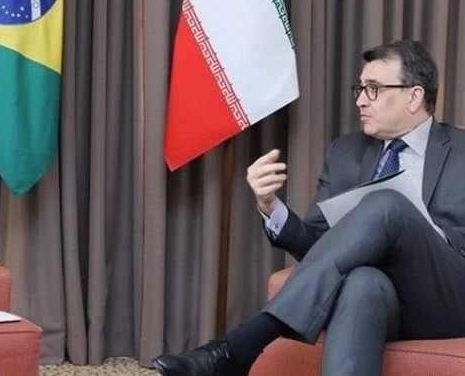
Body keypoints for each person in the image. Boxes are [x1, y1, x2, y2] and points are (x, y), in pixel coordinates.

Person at [152, 40, 465, 376]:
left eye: (374, 89)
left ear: (414, 96)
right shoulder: (346, 152)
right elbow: (318, 245)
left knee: (387, 204)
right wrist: (270, 206)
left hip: (446, 297)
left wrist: (411, 231)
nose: (360, 100)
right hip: (380, 296)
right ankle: (235, 352)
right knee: (363, 282)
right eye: (360, 89)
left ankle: (243, 344)